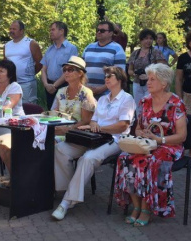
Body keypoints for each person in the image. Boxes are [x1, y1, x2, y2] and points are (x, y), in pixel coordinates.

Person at [52, 66, 134, 221]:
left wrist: (101, 127)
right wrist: (94, 125)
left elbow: (123, 125)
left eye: (110, 76)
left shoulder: (127, 99)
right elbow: (94, 119)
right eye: (106, 76)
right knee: (61, 149)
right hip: (94, 137)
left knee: (88, 158)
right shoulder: (102, 99)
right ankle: (69, 190)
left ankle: (66, 202)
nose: (107, 79)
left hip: (115, 140)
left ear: (120, 80)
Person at [114, 63, 188, 226]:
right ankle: (136, 206)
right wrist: (141, 133)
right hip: (147, 144)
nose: (148, 82)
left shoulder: (176, 103)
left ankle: (147, 209)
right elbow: (139, 127)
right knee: (125, 158)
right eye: (148, 79)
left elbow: (182, 136)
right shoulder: (144, 101)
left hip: (169, 145)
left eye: (153, 79)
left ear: (164, 83)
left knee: (148, 162)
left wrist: (159, 139)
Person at [51, 56, 96, 137]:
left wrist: (68, 129)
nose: (66, 73)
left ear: (80, 73)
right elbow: (53, 113)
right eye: (64, 70)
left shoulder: (86, 93)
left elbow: (86, 121)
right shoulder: (60, 91)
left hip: (77, 134)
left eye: (70, 70)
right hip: (58, 131)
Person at [82, 21, 127, 99]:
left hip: (107, 95)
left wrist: (101, 89)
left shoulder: (118, 49)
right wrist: (85, 86)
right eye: (97, 30)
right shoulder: (88, 47)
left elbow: (119, 74)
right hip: (86, 93)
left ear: (111, 33)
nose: (99, 32)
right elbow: (80, 70)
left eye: (102, 31)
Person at [40, 21, 79, 110]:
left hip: (64, 86)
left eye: (53, 29)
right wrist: (46, 85)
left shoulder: (71, 49)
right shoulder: (49, 49)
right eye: (50, 30)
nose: (51, 32)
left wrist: (55, 85)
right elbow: (43, 69)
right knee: (50, 112)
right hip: (49, 87)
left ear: (61, 31)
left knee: (62, 112)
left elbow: (70, 70)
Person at [3, 20, 42, 105]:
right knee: (10, 108)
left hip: (27, 84)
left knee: (28, 108)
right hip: (11, 84)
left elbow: (40, 63)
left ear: (21, 31)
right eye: (10, 29)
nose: (11, 31)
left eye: (14, 29)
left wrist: (29, 74)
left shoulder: (31, 43)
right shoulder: (7, 45)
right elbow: (4, 65)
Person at [127, 29, 166, 108]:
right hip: (137, 83)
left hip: (152, 84)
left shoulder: (156, 52)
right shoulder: (135, 53)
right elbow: (129, 70)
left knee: (150, 106)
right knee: (138, 107)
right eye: (146, 38)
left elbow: (163, 68)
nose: (148, 41)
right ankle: (139, 120)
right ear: (141, 40)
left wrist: (149, 76)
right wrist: (135, 73)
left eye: (151, 38)